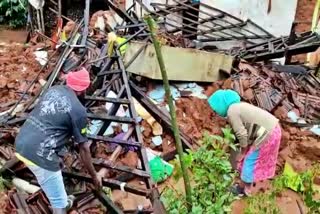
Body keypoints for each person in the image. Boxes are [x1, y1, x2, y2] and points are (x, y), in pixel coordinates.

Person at [15, 68, 102, 214]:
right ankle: (61, 201)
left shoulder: (53, 90)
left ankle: (57, 193)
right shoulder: (78, 110)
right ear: (84, 89)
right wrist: (94, 175)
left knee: (50, 181)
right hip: (40, 154)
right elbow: (84, 149)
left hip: (21, 143)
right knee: (59, 203)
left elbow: (53, 123)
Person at [208, 89, 281, 196]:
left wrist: (242, 152)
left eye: (215, 109)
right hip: (272, 129)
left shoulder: (232, 112)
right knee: (250, 157)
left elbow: (241, 135)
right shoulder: (238, 107)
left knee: (249, 159)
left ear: (221, 104)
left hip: (268, 133)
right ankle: (247, 186)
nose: (216, 112)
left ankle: (240, 189)